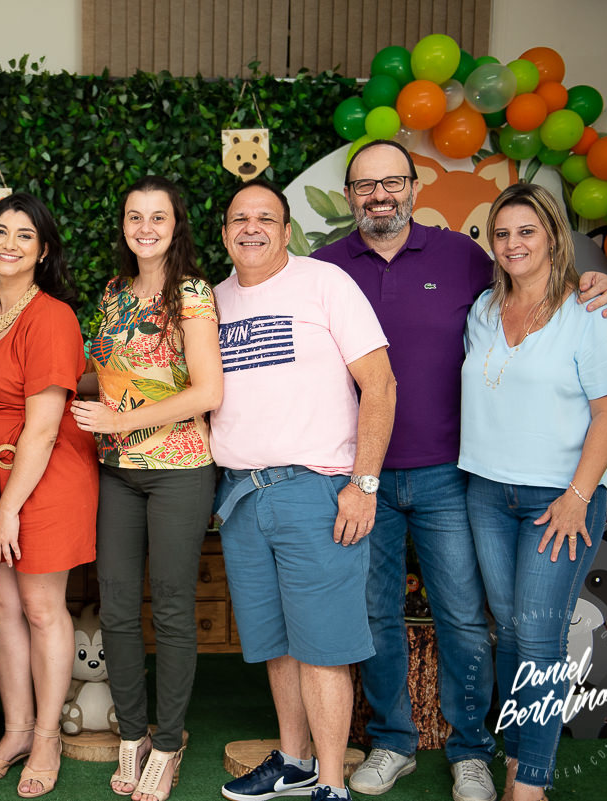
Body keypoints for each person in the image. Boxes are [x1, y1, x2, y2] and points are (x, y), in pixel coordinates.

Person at [311, 139, 607, 801]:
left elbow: (535, 281)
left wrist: (595, 284)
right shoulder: (324, 269)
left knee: (463, 615)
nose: (379, 196)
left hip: (452, 477)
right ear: (349, 197)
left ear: (413, 187)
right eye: (365, 186)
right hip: (361, 478)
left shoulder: (464, 259)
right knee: (375, 612)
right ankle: (392, 739)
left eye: (391, 182)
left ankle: (472, 749)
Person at [212, 179, 395, 801]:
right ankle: (292, 761)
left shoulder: (325, 283)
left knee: (323, 646)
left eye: (266, 218)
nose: (252, 227)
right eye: (240, 218)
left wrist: (363, 483)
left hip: (316, 490)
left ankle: (333, 783)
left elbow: (382, 384)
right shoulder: (212, 302)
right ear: (226, 231)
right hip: (241, 495)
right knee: (276, 641)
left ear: (287, 231)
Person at [459, 183, 607, 801]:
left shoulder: (592, 311)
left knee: (538, 634)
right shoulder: (481, 310)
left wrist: (578, 496)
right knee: (510, 629)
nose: (512, 244)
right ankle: (519, 755)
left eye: (527, 231)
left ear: (554, 236)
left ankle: (529, 783)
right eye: (502, 234)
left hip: (560, 500)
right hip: (486, 493)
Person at [71, 176, 222, 801]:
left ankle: (168, 744)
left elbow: (208, 391)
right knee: (116, 606)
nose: (146, 227)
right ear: (124, 225)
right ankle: (133, 735)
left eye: (158, 216)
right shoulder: (111, 293)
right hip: (117, 473)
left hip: (181, 468)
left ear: (175, 223)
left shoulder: (191, 293)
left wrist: (120, 421)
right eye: (135, 216)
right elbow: (105, 375)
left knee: (170, 607)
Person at [0, 192, 98, 799]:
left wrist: (9, 509)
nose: (8, 243)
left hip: (42, 476)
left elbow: (42, 428)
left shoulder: (53, 316)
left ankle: (47, 736)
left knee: (42, 609)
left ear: (43, 252)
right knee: (2, 608)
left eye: (24, 235)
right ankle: (15, 730)